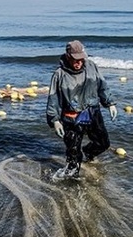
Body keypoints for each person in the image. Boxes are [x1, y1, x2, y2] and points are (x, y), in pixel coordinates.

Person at [46, 40, 118, 178]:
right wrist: (55, 120)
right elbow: (53, 99)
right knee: (73, 157)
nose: (79, 62)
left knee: (103, 143)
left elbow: (102, 85)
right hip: (71, 117)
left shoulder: (91, 66)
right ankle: (71, 186)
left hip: (92, 112)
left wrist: (110, 103)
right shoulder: (59, 75)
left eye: (81, 59)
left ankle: (88, 153)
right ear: (68, 56)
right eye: (75, 59)